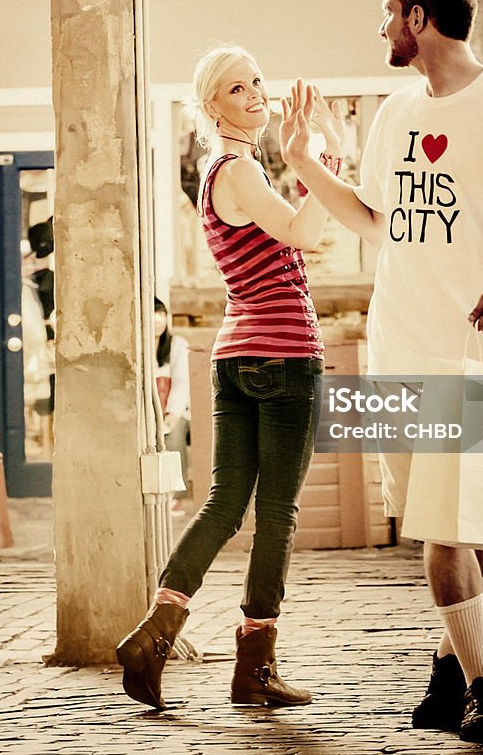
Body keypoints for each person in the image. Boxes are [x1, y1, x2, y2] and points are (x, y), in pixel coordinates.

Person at [280, 0, 483, 743]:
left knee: (458, 529)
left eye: (387, 12)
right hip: (398, 347)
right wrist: (303, 161)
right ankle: (455, 667)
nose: (380, 27)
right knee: (453, 527)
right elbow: (375, 219)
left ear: (417, 18)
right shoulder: (393, 115)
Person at [116, 45, 345, 710]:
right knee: (276, 511)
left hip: (235, 354)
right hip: (282, 355)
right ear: (211, 106)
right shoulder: (239, 170)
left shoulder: (223, 172)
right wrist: (323, 152)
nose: (255, 94)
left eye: (258, 83)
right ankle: (255, 667)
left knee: (224, 503)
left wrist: (303, 155)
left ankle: (156, 634)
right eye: (237, 88)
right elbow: (306, 232)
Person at [153, 297, 190, 510]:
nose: (158, 320)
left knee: (174, 436)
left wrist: (173, 414)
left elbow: (182, 382)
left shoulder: (177, 344)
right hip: (150, 412)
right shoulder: (140, 346)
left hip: (174, 411)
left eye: (162, 314)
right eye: (154, 314)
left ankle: (176, 495)